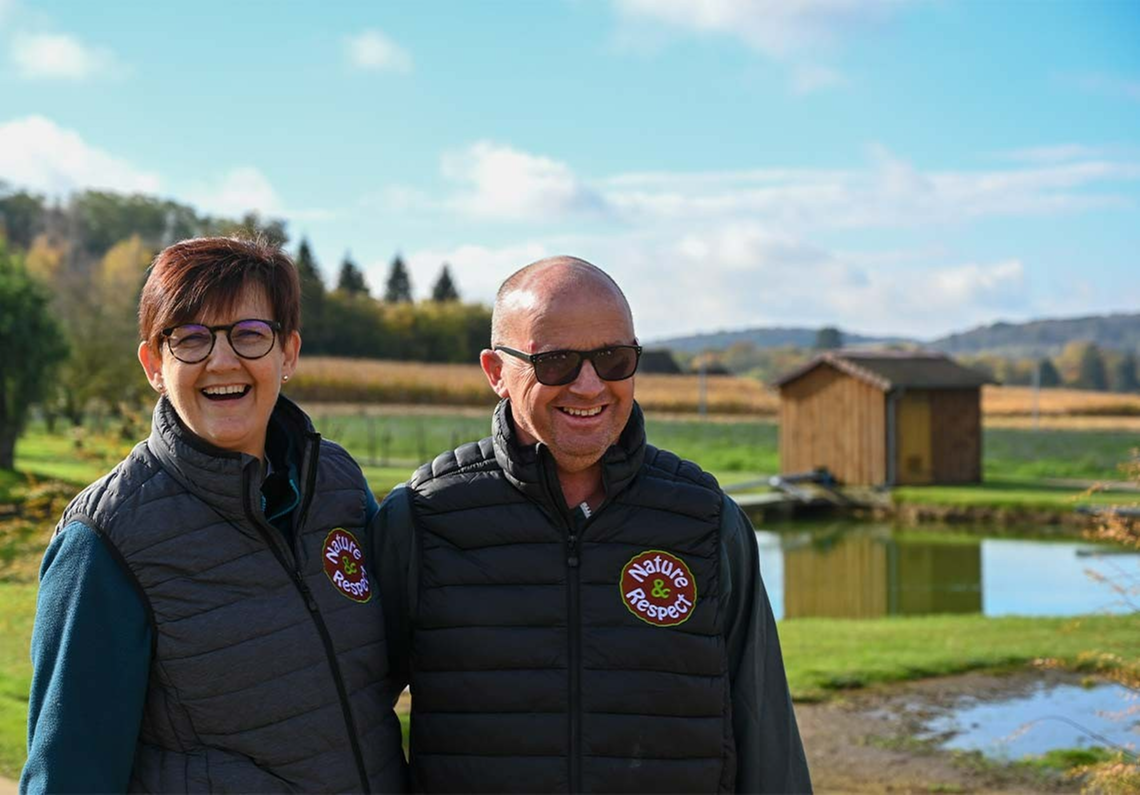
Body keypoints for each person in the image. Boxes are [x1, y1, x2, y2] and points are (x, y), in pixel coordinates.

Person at [376, 256, 811, 793]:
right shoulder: (423, 519)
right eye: (555, 361)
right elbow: (351, 727)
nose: (589, 386)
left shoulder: (705, 521)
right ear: (496, 373)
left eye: (613, 358)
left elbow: (767, 739)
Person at [22, 237, 407, 793]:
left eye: (250, 334)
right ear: (155, 364)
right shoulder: (106, 540)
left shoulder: (338, 483)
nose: (222, 361)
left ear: (288, 353)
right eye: (190, 338)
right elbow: (68, 778)